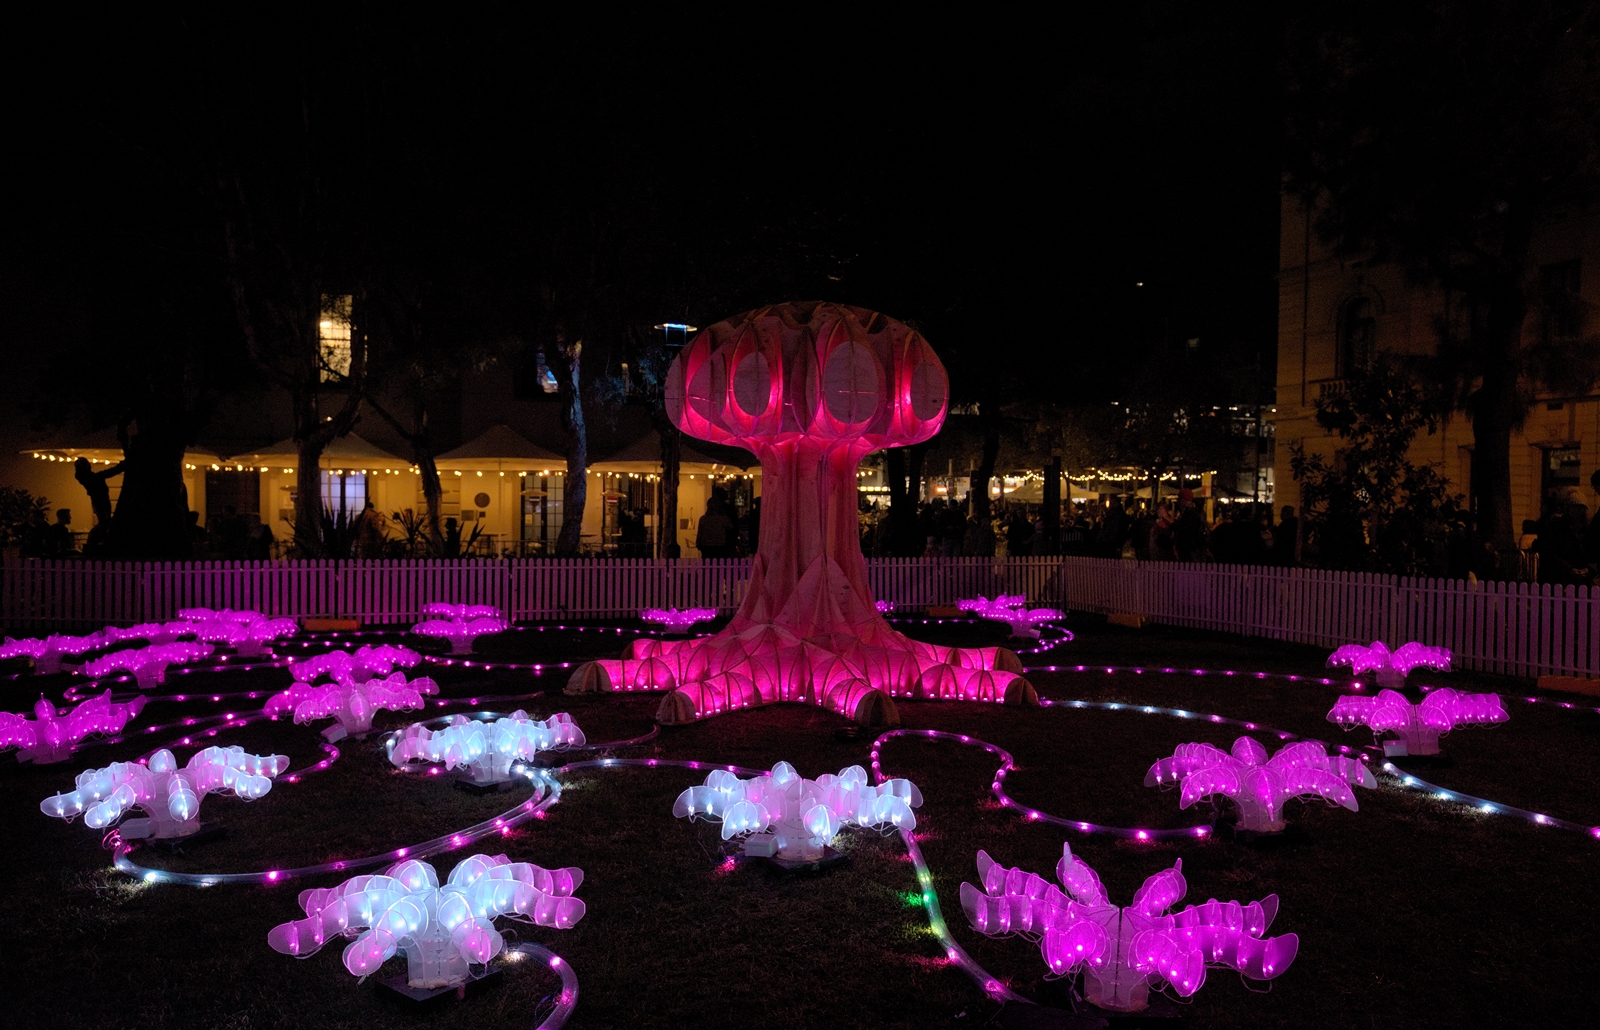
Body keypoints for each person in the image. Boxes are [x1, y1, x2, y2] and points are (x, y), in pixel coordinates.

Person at [73, 456, 124, 529]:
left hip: (98, 499)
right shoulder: (92, 478)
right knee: (105, 520)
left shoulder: (85, 477)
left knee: (104, 520)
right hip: (100, 499)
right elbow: (108, 473)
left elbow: (107, 473)